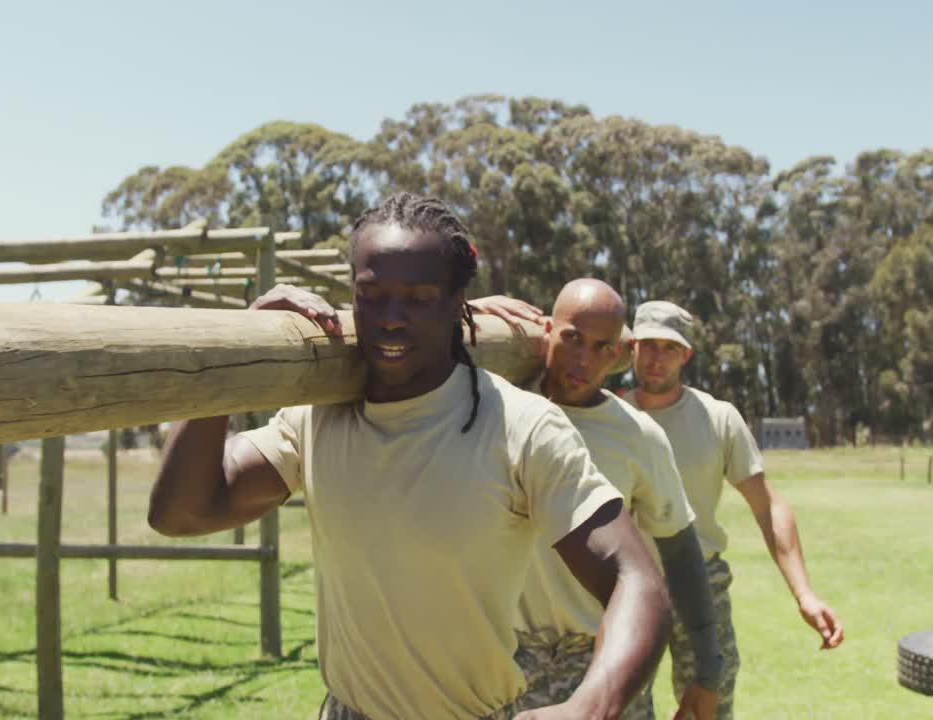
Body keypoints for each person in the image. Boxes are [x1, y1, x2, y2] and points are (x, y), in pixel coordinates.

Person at [147, 192, 670, 720]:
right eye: (371, 294)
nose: (391, 319)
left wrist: (589, 707)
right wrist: (239, 348)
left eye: (419, 298)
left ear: (456, 301)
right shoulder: (317, 418)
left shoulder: (521, 428)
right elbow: (182, 512)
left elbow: (637, 581)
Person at [473, 281, 723, 720]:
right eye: (572, 338)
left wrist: (706, 670)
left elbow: (682, 556)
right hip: (505, 661)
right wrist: (470, 307)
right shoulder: (495, 410)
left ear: (617, 355)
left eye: (601, 346)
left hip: (603, 659)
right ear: (548, 331)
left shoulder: (637, 437)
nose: (583, 359)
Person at [625, 301, 845, 719]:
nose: (656, 358)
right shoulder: (608, 414)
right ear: (630, 347)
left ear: (686, 354)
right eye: (648, 345)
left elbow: (769, 506)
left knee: (710, 709)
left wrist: (804, 593)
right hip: (625, 587)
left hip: (703, 586)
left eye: (669, 348)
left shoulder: (717, 418)